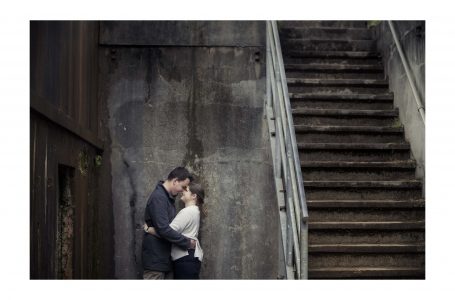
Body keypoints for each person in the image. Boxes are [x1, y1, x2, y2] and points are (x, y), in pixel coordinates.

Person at [142, 167, 196, 280]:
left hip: (164, 260)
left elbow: (168, 228)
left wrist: (151, 230)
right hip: (156, 262)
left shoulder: (167, 198)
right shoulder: (159, 198)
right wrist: (187, 242)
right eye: (183, 186)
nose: (183, 190)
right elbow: (164, 229)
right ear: (175, 181)